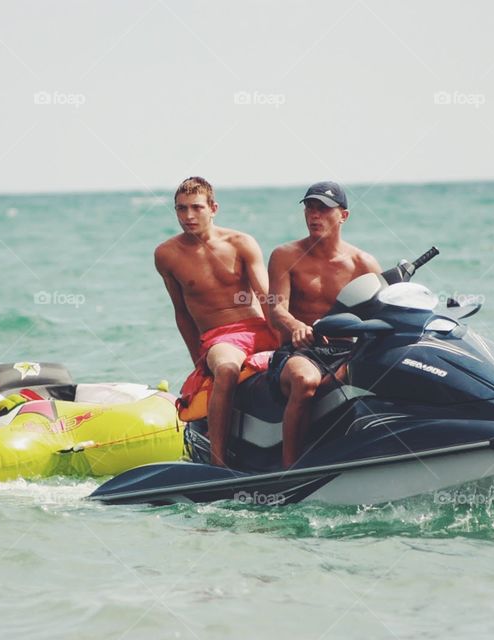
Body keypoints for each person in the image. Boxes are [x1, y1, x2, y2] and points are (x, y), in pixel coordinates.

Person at [155, 177, 278, 467]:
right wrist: (199, 359)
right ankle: (218, 460)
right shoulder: (167, 255)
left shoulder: (241, 243)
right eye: (181, 209)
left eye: (196, 208)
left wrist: (286, 336)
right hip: (220, 338)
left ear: (213, 208)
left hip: (258, 327)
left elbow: (267, 298)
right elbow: (181, 313)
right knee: (226, 368)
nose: (188, 216)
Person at [267, 181, 382, 468]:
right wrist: (296, 326)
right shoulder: (285, 255)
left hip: (345, 351)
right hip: (300, 351)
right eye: (310, 207)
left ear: (343, 215)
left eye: (323, 209)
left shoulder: (364, 264)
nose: (314, 215)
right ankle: (289, 470)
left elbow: (381, 315)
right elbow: (275, 306)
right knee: (306, 381)